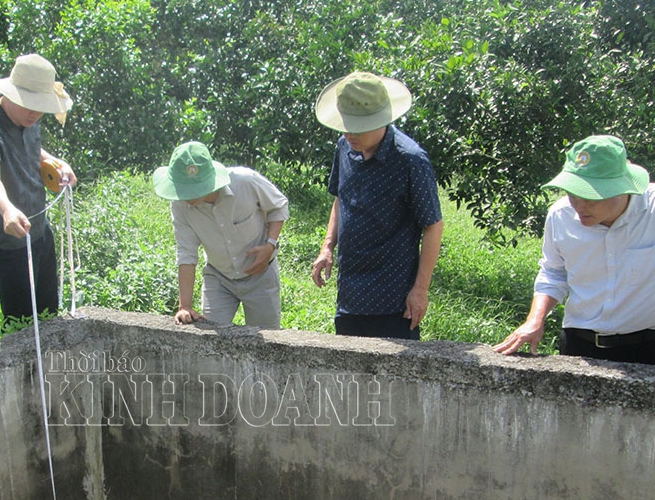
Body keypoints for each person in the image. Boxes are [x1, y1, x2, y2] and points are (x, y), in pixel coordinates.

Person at [494, 135, 655, 382]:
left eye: (588, 198)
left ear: (621, 189)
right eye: (572, 195)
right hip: (579, 346)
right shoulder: (560, 215)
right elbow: (554, 272)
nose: (578, 207)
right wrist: (534, 321)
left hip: (645, 346)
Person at [311, 70, 444, 339]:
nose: (350, 134)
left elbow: (433, 225)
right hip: (350, 292)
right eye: (345, 125)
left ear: (381, 119)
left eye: (358, 127)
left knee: (395, 377)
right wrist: (327, 247)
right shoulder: (344, 146)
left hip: (393, 298)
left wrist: (420, 289)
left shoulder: (410, 160)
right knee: (349, 374)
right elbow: (341, 197)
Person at [0, 53, 76, 331]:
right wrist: (6, 208)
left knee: (49, 316)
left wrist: (56, 163)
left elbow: (33, 152)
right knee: (21, 326)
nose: (35, 113)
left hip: (40, 231)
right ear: (10, 94)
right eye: (29, 105)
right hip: (10, 242)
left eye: (40, 107)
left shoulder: (29, 119)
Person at [152, 141, 289, 328]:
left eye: (191, 190)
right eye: (183, 189)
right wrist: (185, 306)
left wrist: (270, 244)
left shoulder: (245, 182)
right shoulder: (180, 203)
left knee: (268, 341)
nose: (187, 196)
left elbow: (278, 205)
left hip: (261, 274)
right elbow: (186, 251)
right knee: (210, 338)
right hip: (219, 276)